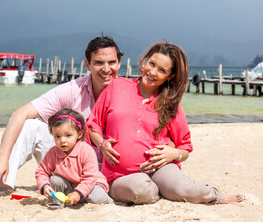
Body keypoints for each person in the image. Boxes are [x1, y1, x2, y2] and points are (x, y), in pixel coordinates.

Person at [0, 36, 123, 200]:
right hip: (70, 165)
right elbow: (20, 113)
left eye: (112, 62)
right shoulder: (73, 90)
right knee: (31, 125)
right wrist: (2, 157)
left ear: (119, 63)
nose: (106, 69)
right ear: (87, 64)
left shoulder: (127, 92)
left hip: (110, 169)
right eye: (99, 63)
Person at [87, 41, 245, 205]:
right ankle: (162, 190)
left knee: (182, 188)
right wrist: (102, 144)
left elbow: (185, 147)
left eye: (161, 70)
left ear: (170, 76)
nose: (152, 72)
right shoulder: (117, 87)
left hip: (160, 170)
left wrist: (173, 154)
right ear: (146, 60)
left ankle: (216, 195)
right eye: (152, 64)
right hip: (118, 175)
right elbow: (93, 124)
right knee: (142, 190)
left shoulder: (171, 105)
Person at [35, 108, 112, 208]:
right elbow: (41, 171)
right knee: (55, 180)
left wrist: (78, 193)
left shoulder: (86, 151)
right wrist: (44, 185)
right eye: (57, 136)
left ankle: (107, 200)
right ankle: (55, 203)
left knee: (96, 198)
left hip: (91, 184)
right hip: (69, 185)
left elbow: (90, 177)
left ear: (79, 134)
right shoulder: (53, 152)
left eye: (68, 135)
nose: (62, 140)